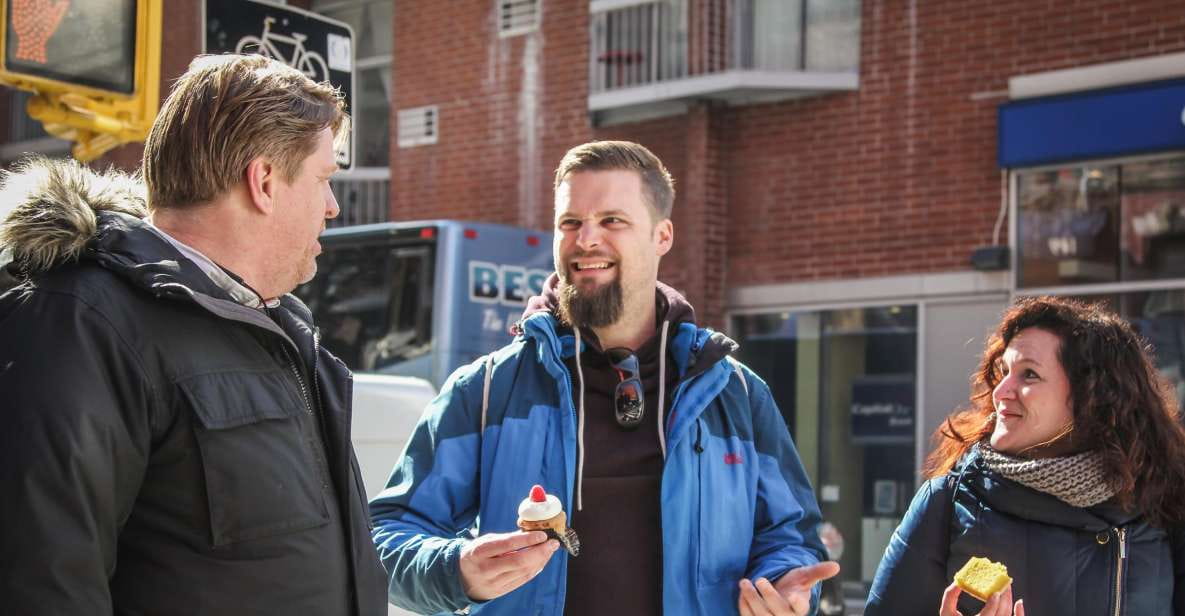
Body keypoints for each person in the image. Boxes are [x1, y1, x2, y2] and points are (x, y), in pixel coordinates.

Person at [370, 140, 838, 616]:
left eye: (613, 220)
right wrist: (455, 569)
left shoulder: (734, 393)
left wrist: (785, 588)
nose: (587, 239)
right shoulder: (489, 390)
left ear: (662, 236)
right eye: (570, 222)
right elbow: (386, 535)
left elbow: (792, 537)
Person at [0, 54, 387, 615]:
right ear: (264, 181)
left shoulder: (280, 330)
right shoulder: (83, 322)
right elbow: (41, 582)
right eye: (325, 179)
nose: (332, 206)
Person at [864, 296, 1185, 616]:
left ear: (1095, 397)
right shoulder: (947, 502)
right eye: (1004, 371)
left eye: (1028, 374)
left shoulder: (1163, 501)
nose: (1001, 391)